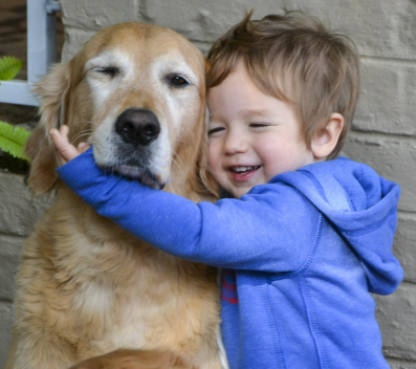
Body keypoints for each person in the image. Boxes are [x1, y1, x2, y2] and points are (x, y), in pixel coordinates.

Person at [50, 12, 403, 369]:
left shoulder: (298, 212)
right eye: (216, 129)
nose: (234, 143)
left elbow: (197, 230)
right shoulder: (268, 206)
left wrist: (98, 184)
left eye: (259, 124)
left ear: (323, 135)